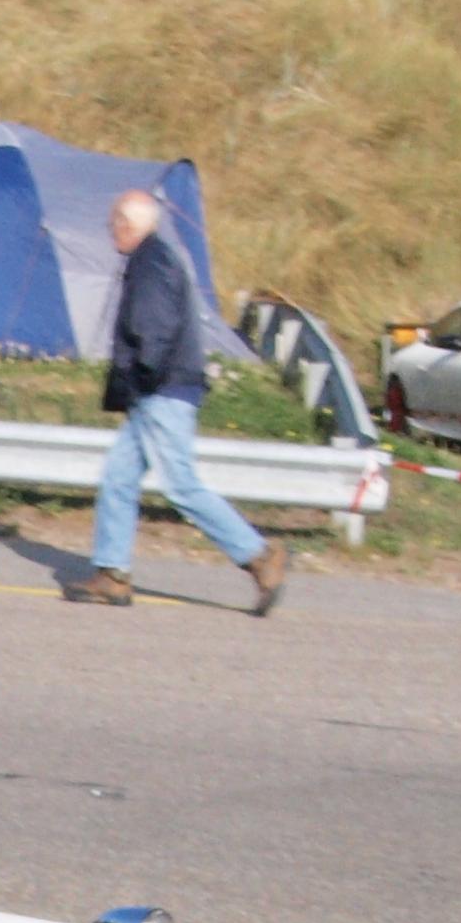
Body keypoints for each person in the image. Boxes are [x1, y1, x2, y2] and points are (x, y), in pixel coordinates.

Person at [75, 191, 288, 616]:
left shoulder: (151, 262)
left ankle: (259, 555)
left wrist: (143, 378)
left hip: (162, 389)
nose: (110, 231)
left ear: (127, 224)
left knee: (181, 485)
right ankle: (112, 574)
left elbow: (152, 329)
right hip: (158, 389)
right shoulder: (156, 257)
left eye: (112, 223)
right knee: (118, 478)